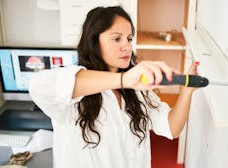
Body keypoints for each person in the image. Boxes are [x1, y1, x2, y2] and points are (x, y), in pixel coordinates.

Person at [29, 6, 199, 168]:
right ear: (94, 41)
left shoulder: (137, 91)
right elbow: (38, 85)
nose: (127, 46)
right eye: (117, 38)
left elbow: (172, 127)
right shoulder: (75, 89)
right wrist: (124, 79)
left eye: (129, 39)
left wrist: (187, 90)